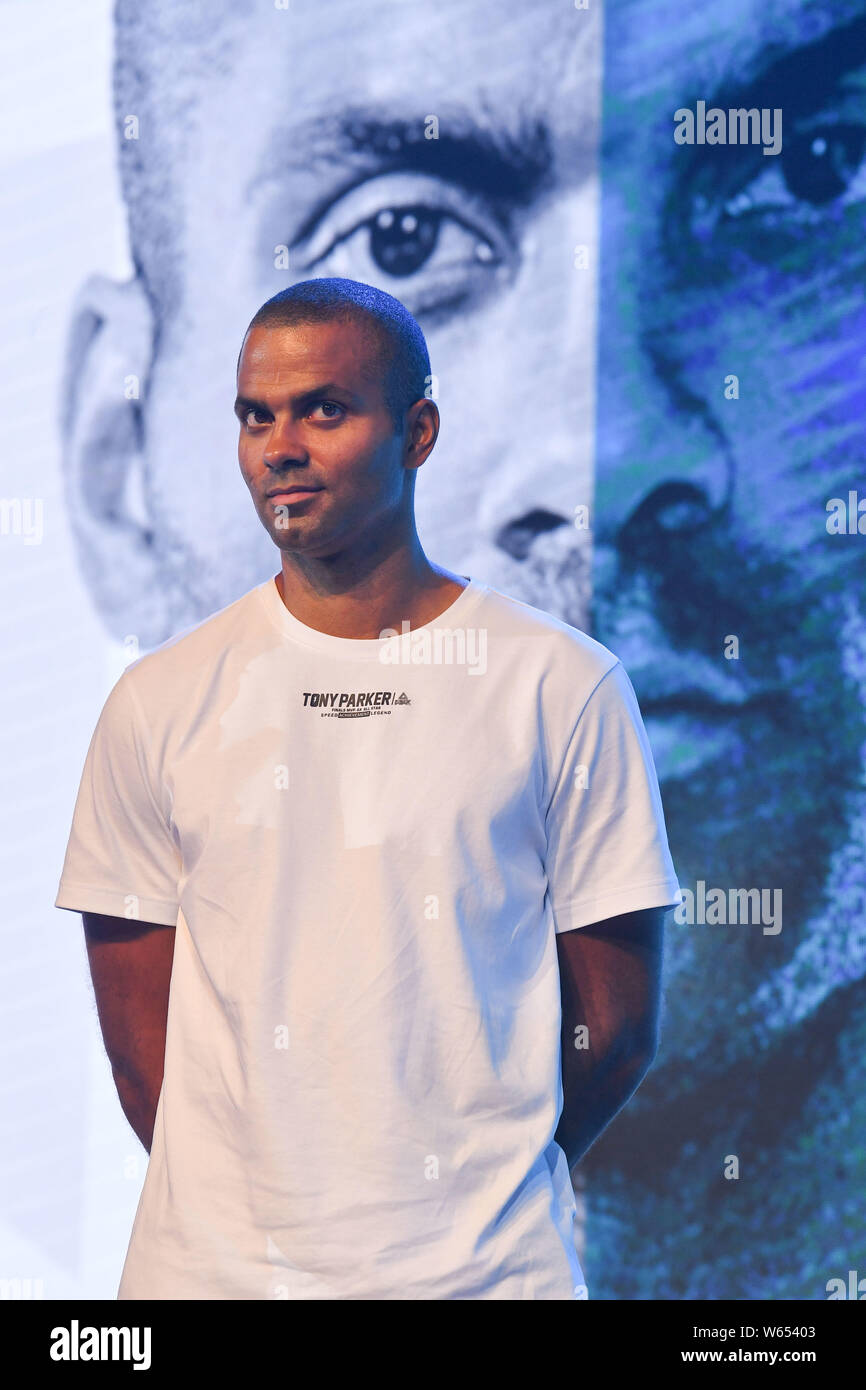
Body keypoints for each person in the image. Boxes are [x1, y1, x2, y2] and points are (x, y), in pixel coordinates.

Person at [55, 278, 681, 1300]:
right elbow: (141, 1060)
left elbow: (611, 1029)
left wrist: (463, 1200)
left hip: (487, 1282)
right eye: (256, 416)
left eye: (323, 409)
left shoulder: (558, 685)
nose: (279, 447)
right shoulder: (157, 701)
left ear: (417, 430)